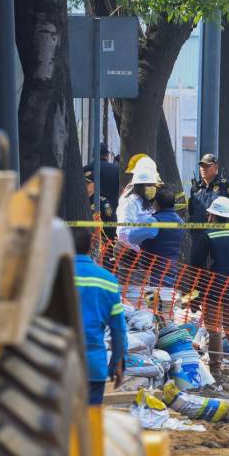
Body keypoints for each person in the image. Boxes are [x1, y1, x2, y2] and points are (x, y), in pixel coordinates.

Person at [189, 196, 229, 378]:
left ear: (213, 217)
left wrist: (195, 295)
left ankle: (215, 368)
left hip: (213, 289)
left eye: (210, 216)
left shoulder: (208, 236)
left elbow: (196, 268)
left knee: (214, 329)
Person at [73, 227, 126, 405]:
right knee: (88, 425)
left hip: (57, 364)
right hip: (92, 366)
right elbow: (119, 331)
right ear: (90, 248)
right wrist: (117, 363)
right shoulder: (108, 280)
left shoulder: (53, 275)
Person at [116, 157, 160, 250]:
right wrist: (135, 251)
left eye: (153, 185)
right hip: (133, 255)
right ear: (140, 185)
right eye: (148, 185)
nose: (152, 188)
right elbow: (124, 231)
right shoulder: (131, 201)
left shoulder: (146, 200)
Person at [189, 153, 229, 224]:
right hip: (197, 233)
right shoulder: (195, 188)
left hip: (217, 233)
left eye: (207, 165)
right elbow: (191, 212)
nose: (203, 168)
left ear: (216, 166)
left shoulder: (225, 186)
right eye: (201, 165)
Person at [83, 142, 120, 207]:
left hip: (93, 211)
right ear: (107, 155)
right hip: (112, 211)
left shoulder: (86, 169)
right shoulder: (117, 170)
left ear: (93, 155)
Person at [84, 169, 116, 240]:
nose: (85, 185)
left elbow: (111, 222)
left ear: (95, 185)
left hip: (100, 242)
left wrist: (107, 239)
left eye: (88, 183)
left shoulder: (101, 201)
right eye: (84, 183)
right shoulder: (81, 199)